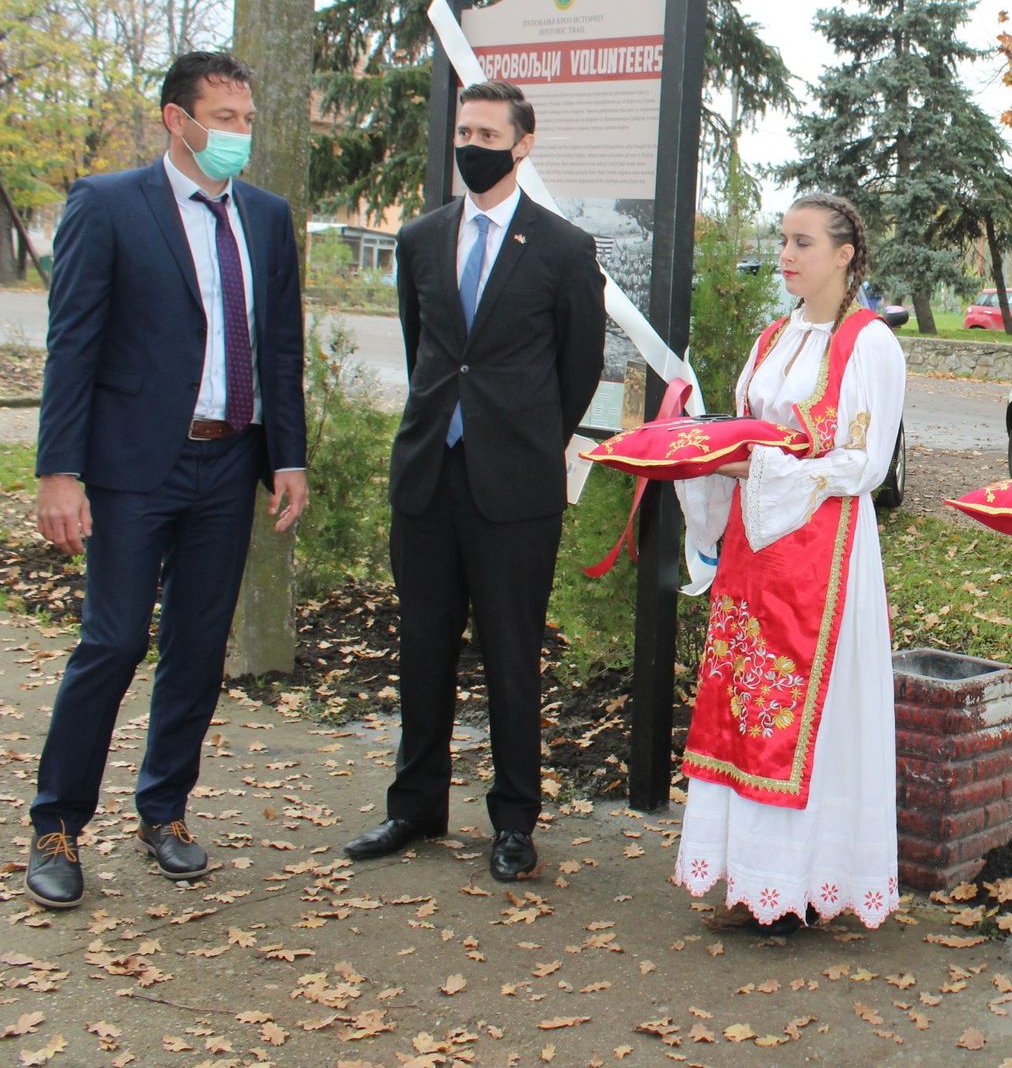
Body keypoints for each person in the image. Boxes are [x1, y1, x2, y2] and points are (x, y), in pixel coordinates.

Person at [26, 51, 309, 910]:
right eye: (223, 117)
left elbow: (281, 347)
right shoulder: (109, 204)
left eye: (246, 118)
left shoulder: (266, 218)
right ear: (175, 119)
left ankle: (164, 810)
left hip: (229, 460)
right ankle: (56, 823)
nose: (238, 133)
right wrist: (58, 470)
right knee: (113, 641)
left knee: (197, 645)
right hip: (133, 468)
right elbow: (73, 343)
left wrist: (287, 456)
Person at [344, 80, 604, 883]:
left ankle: (514, 821)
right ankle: (415, 806)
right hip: (428, 479)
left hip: (515, 491)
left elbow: (579, 367)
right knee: (422, 647)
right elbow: (425, 346)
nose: (471, 146)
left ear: (523, 144)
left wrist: (527, 441)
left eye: (488, 134)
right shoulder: (421, 239)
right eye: (464, 132)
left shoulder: (563, 248)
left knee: (512, 656)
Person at [672, 193, 907, 932]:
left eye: (802, 242)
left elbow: (865, 462)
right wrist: (703, 451)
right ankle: (751, 877)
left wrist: (761, 468)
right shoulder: (774, 335)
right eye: (783, 240)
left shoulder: (869, 342)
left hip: (823, 551)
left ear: (844, 254)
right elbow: (745, 429)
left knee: (805, 715)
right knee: (746, 704)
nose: (786, 255)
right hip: (754, 548)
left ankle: (802, 884)